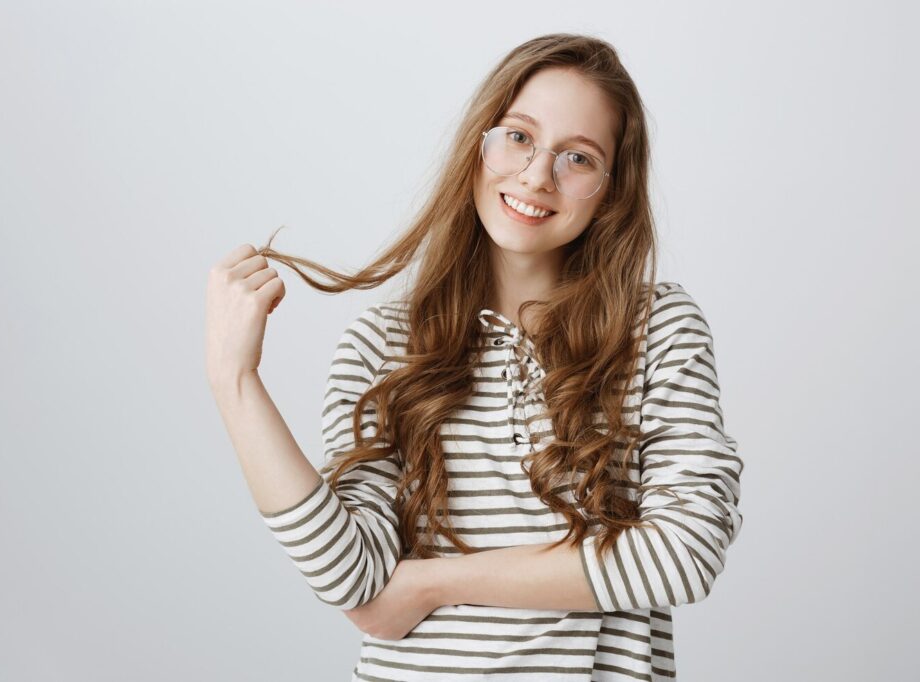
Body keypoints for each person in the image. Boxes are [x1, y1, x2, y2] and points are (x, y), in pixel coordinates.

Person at [205, 32, 743, 682]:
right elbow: (352, 578)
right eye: (518, 136)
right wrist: (235, 383)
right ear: (478, 144)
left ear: (612, 189)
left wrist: (436, 584)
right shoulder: (383, 342)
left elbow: (685, 553)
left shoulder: (655, 328)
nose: (537, 175)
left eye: (578, 156)